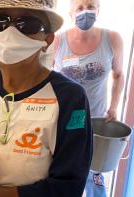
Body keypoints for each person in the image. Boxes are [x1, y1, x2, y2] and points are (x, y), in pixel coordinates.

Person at [0, 0, 93, 196]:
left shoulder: (70, 99)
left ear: (48, 39)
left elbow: (69, 186)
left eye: (27, 24)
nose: (10, 33)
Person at [53, 0, 124, 196]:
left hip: (96, 119)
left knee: (94, 175)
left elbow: (118, 74)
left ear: (98, 10)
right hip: (64, 118)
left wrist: (114, 107)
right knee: (65, 171)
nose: (86, 12)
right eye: (80, 8)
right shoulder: (58, 41)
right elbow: (45, 76)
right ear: (70, 14)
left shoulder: (112, 39)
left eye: (90, 6)